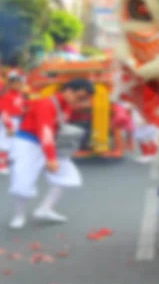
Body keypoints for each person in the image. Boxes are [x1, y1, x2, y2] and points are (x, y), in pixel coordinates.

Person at [8, 78, 95, 229]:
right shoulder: (46, 104)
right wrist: (50, 158)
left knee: (67, 176)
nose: (80, 101)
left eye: (84, 99)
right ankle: (18, 215)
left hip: (48, 143)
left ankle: (45, 209)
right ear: (68, 91)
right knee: (22, 182)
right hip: (28, 144)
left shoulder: (66, 105)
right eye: (79, 97)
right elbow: (45, 131)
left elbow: (54, 130)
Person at [0, 71, 26, 175]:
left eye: (20, 83)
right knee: (4, 143)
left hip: (17, 120)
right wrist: (8, 125)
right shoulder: (6, 96)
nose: (18, 85)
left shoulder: (20, 95)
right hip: (7, 120)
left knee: (13, 144)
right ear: (10, 84)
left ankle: (9, 164)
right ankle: (1, 166)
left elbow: (21, 107)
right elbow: (4, 111)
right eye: (15, 83)